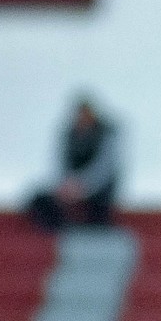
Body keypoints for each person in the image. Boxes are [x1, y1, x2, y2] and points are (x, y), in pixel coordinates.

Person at [25, 95, 122, 230]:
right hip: (70, 187)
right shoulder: (68, 135)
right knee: (39, 201)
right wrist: (65, 186)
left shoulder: (106, 134)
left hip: (98, 190)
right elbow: (59, 164)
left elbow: (104, 169)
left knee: (99, 213)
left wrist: (83, 186)